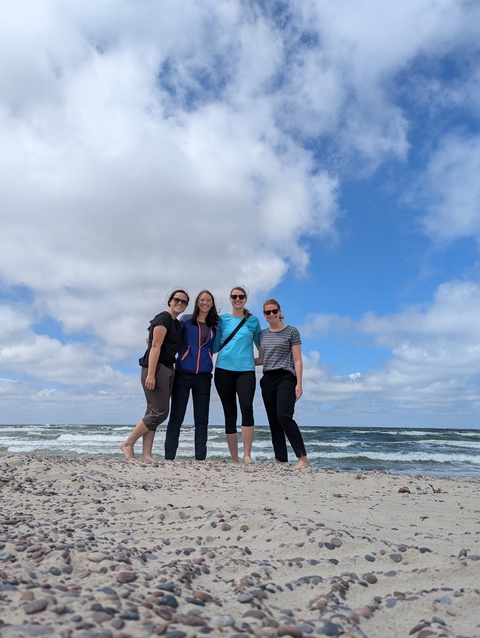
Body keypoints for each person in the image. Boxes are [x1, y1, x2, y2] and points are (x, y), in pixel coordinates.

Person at [120, 289, 190, 462]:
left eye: (184, 302)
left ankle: (146, 454)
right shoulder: (164, 318)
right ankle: (128, 444)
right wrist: (151, 374)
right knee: (160, 412)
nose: (180, 303)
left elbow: (154, 340)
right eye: (177, 299)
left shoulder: (176, 323)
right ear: (170, 301)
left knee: (152, 411)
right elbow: (155, 347)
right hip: (156, 368)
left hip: (168, 367)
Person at [164, 290, 220, 461]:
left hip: (204, 376)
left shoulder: (216, 323)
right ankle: (169, 458)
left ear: (212, 303)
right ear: (197, 302)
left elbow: (217, 345)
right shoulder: (186, 320)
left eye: (208, 300)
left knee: (201, 420)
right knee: (176, 417)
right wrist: (152, 339)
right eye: (202, 300)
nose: (205, 303)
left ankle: (200, 459)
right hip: (183, 374)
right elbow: (171, 335)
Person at [255, 298, 309, 469]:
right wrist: (240, 359)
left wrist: (299, 383)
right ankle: (280, 460)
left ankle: (302, 458)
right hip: (267, 378)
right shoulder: (262, 335)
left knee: (284, 416)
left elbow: (298, 359)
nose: (271, 314)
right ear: (264, 314)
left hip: (286, 376)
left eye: (274, 311)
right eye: (267, 312)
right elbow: (262, 359)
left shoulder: (291, 331)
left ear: (279, 312)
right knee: (273, 420)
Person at [214, 286, 261, 463]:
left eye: (241, 296)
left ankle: (247, 455)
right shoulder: (222, 319)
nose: (237, 299)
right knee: (230, 413)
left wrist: (261, 360)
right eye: (234, 296)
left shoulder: (253, 321)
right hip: (223, 370)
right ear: (230, 298)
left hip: (246, 372)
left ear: (245, 299)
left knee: (247, 407)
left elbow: (260, 343)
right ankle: (234, 459)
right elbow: (214, 344)